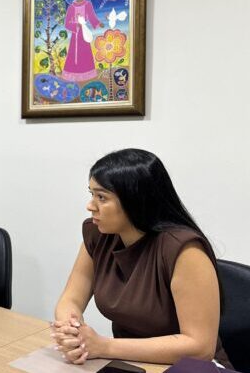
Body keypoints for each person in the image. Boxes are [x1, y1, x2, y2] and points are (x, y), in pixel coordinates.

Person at [52, 149, 232, 368]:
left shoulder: (184, 250)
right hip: (129, 363)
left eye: (101, 197)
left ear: (135, 201)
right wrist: (72, 331)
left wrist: (103, 347)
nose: (90, 206)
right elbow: (70, 299)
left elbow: (199, 347)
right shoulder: (98, 235)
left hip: (189, 368)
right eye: (91, 194)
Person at [62, 0, 103, 82]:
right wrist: (76, 26)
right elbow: (67, 23)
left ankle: (87, 75)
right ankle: (73, 75)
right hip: (75, 35)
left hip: (84, 33)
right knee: (74, 54)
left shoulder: (87, 4)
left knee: (85, 53)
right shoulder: (71, 7)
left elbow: (92, 17)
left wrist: (98, 24)